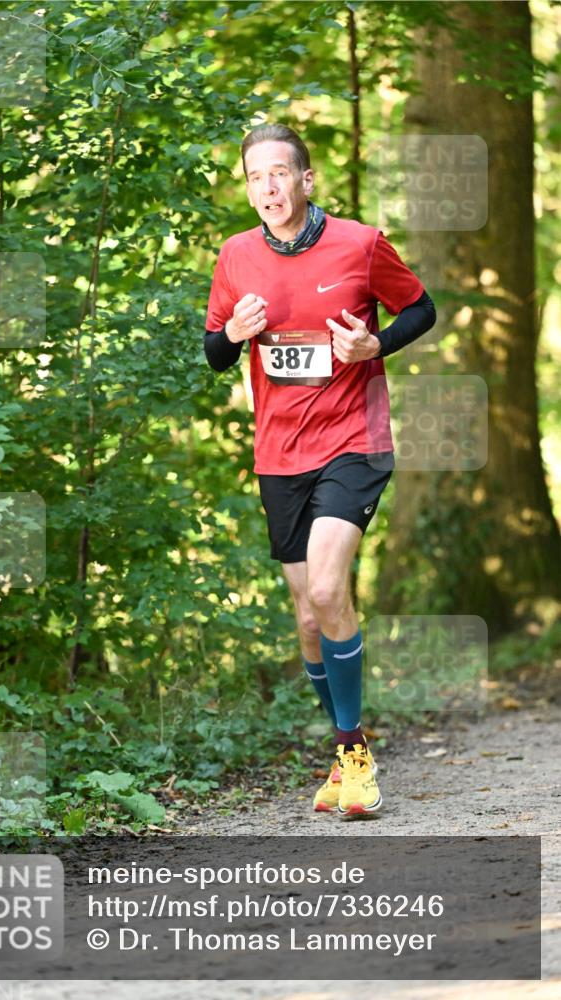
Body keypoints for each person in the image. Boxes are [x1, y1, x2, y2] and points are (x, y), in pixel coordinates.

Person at [204, 124, 436, 818]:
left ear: (306, 181)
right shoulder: (236, 256)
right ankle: (344, 751)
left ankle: (356, 760)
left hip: (352, 442)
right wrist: (235, 337)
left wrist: (375, 345)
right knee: (307, 616)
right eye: (254, 177)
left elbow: (421, 308)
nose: (267, 187)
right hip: (279, 454)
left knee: (330, 588)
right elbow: (215, 353)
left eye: (280, 173)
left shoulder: (359, 244)